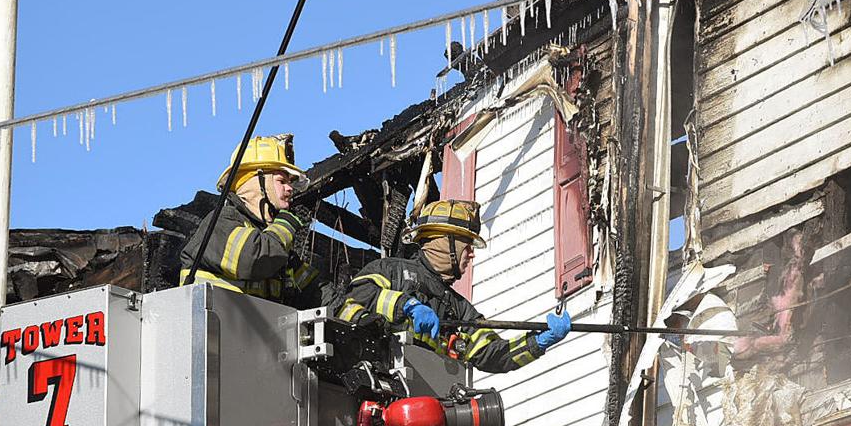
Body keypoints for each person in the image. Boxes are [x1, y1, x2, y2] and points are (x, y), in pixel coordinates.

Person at [334, 200, 571, 373]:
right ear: (444, 242)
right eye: (466, 246)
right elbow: (353, 303)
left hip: (426, 402)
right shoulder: (389, 270)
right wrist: (407, 305)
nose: (471, 255)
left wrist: (540, 341)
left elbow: (493, 355)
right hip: (374, 386)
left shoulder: (459, 308)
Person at [179, 135, 321, 308]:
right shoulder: (221, 222)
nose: (290, 188)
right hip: (213, 329)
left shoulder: (273, 243)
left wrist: (355, 319)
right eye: (281, 181)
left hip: (252, 331)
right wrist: (285, 223)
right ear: (257, 182)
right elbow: (255, 260)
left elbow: (316, 292)